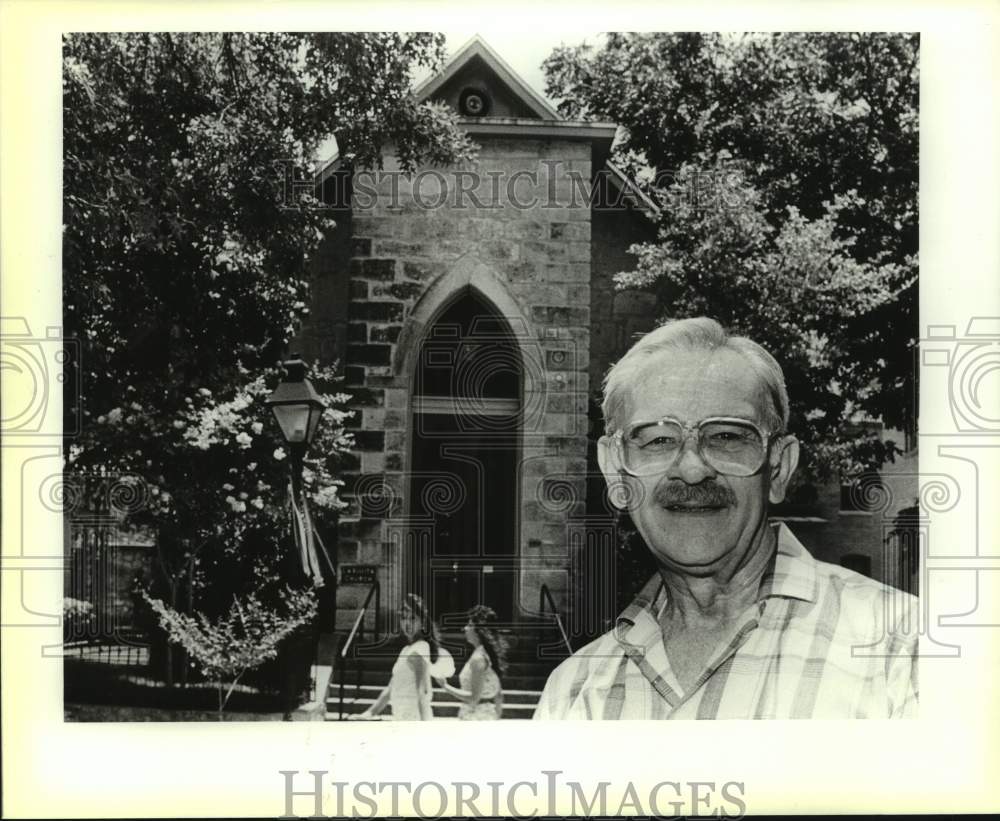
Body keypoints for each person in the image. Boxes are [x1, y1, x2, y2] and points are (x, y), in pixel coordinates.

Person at [534, 317, 918, 720]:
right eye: (658, 440)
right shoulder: (572, 696)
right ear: (615, 472)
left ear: (779, 467)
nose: (693, 469)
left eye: (727, 437)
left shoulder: (904, 653)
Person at [359, 594, 444, 721]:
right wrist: (369, 713)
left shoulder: (420, 648)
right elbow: (390, 689)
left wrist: (425, 725)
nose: (407, 623)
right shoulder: (406, 650)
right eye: (404, 618)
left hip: (414, 716)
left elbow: (422, 691)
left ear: (422, 623)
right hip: (400, 715)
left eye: (413, 618)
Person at [435, 605, 506, 720]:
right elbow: (499, 696)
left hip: (475, 716)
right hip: (486, 714)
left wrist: (446, 686)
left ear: (479, 631)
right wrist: (495, 716)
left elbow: (474, 698)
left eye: (469, 625)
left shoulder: (478, 659)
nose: (465, 628)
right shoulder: (488, 655)